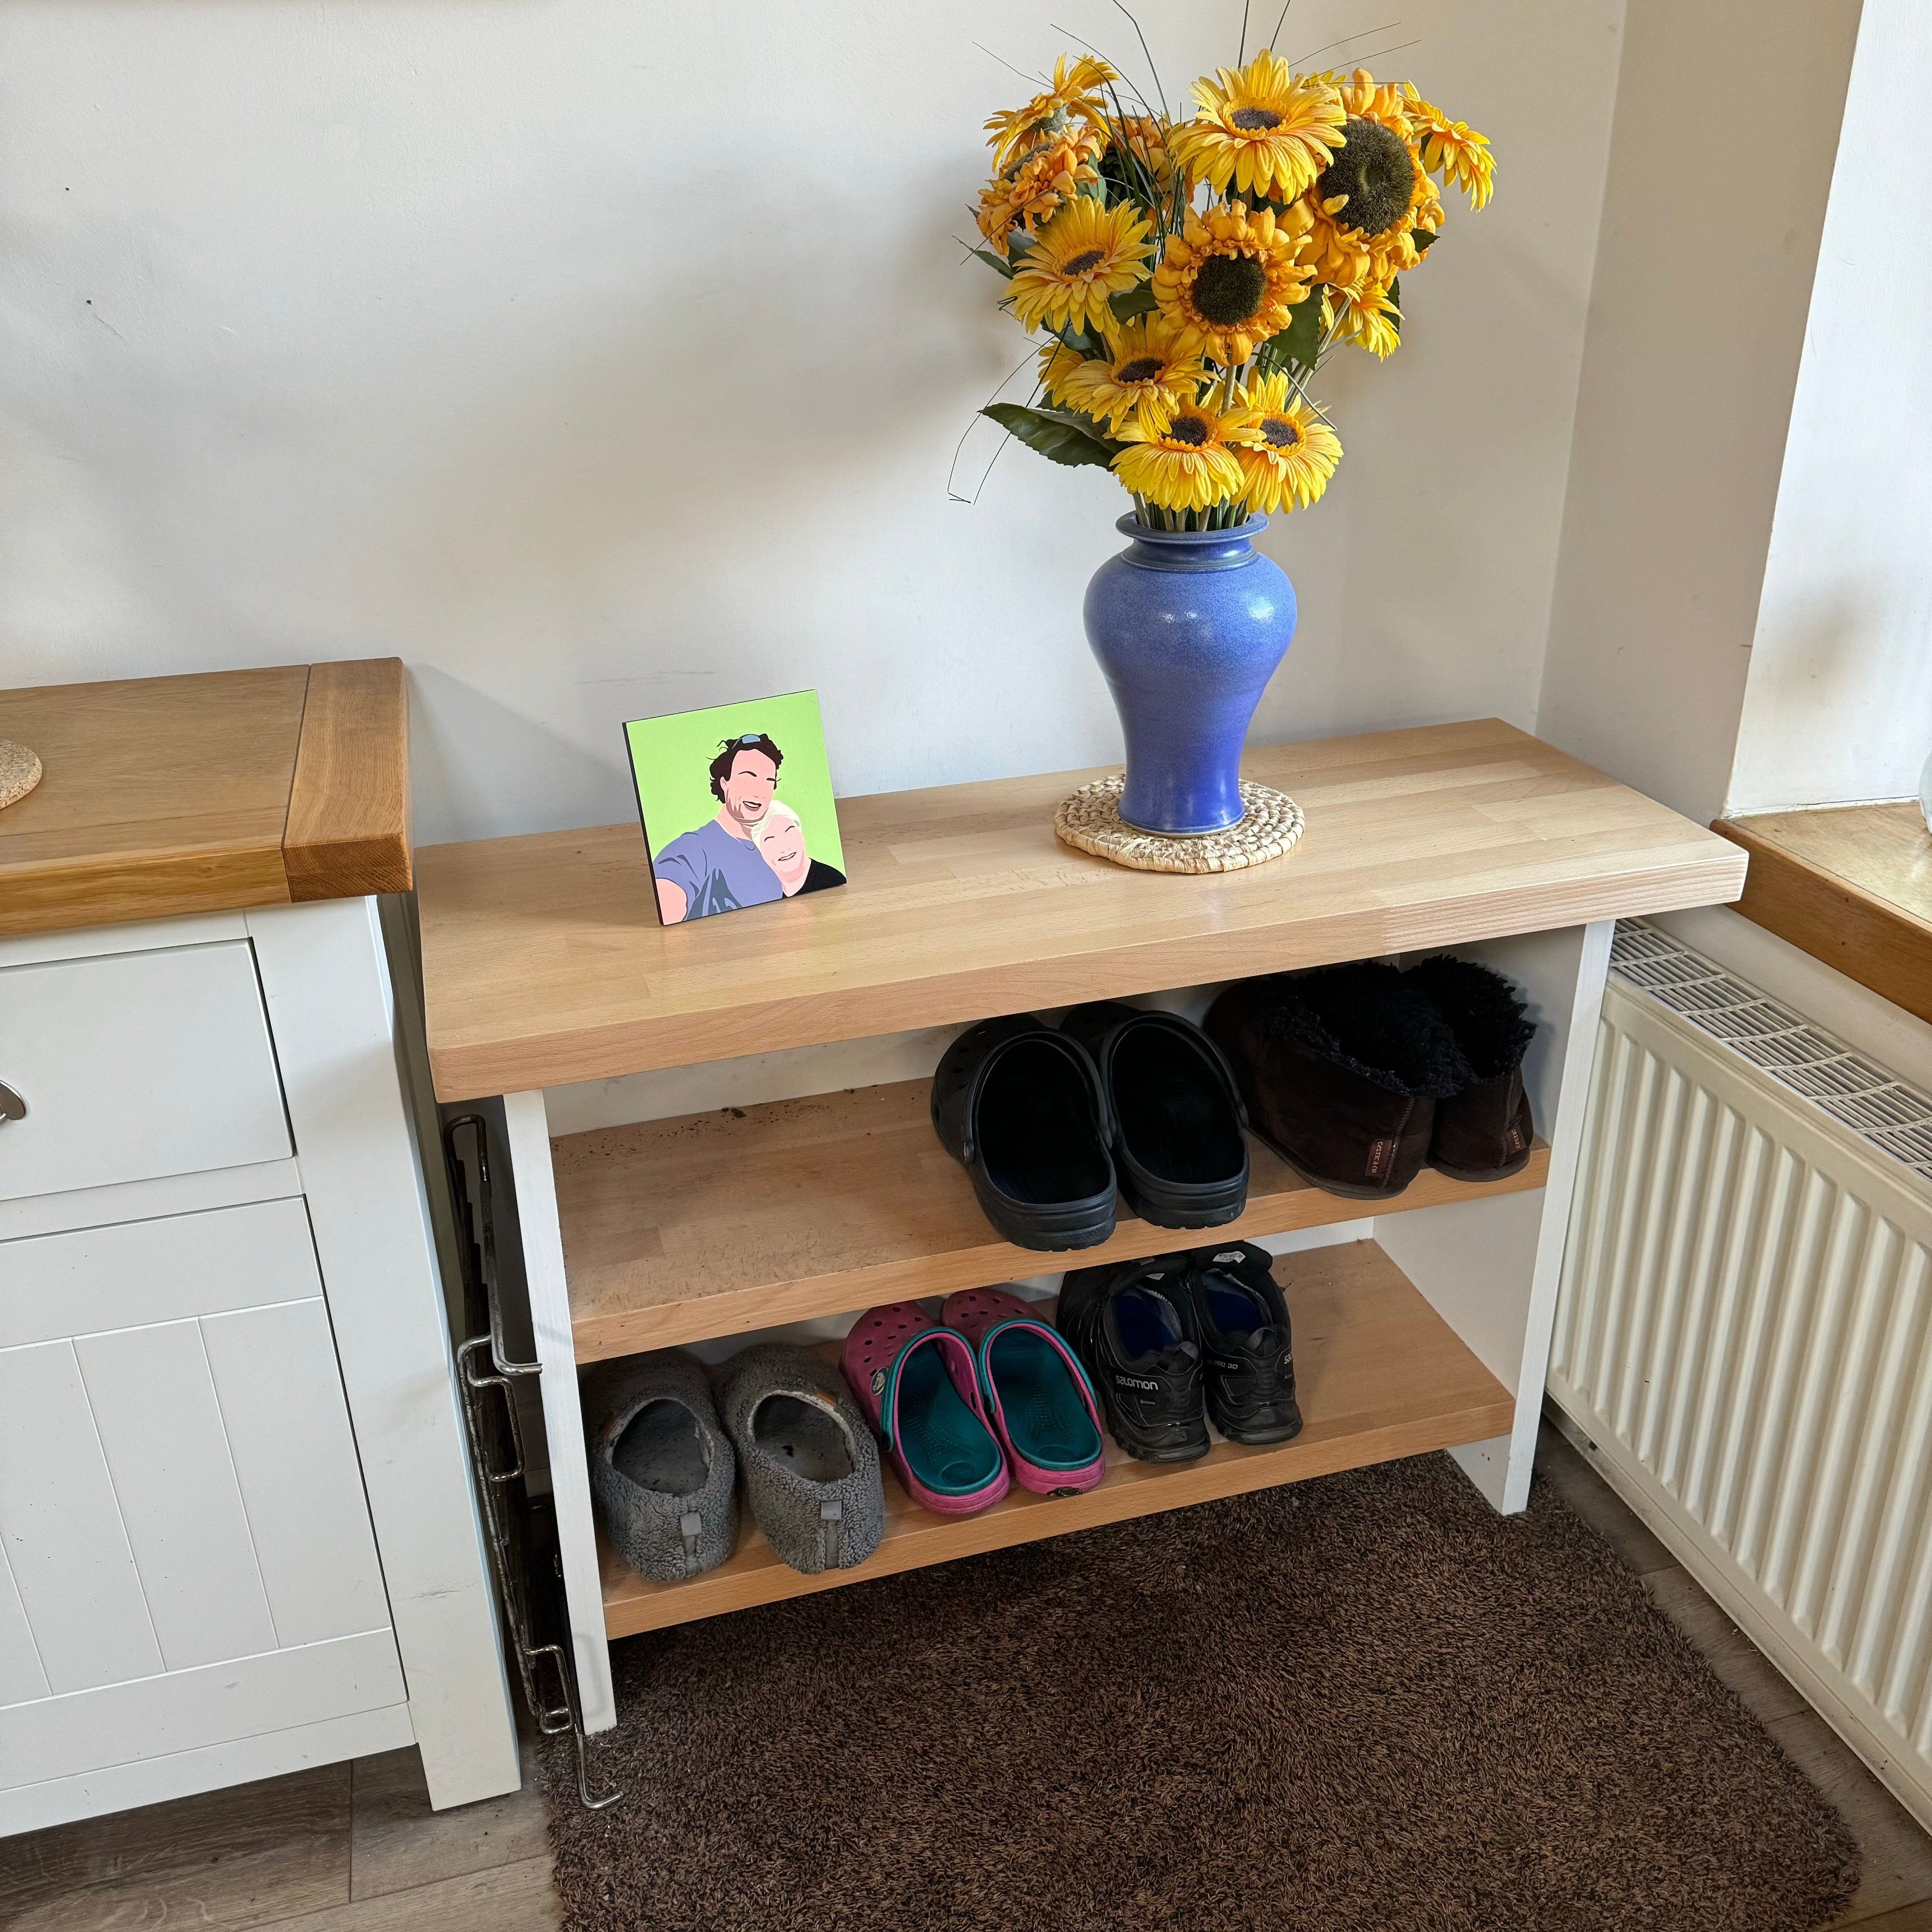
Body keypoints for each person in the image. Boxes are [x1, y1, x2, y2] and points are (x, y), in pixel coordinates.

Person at [652, 734, 786, 924]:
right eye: (749, 777)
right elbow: (668, 901)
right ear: (725, 783)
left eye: (768, 781)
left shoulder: (770, 852)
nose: (759, 792)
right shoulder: (693, 848)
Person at [753, 800, 848, 898]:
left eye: (789, 834)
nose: (785, 848)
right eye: (771, 842)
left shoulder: (832, 880)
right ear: (760, 851)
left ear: (801, 835)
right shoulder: (763, 893)